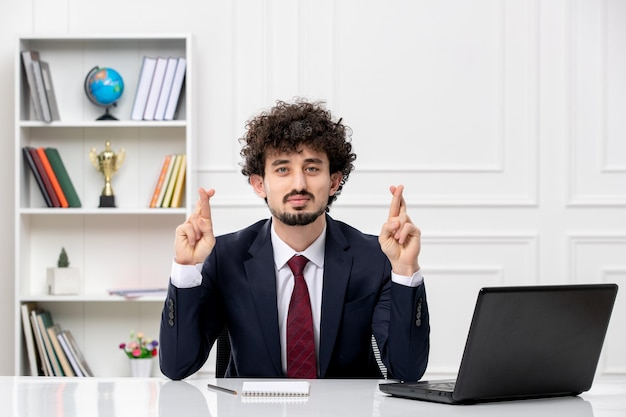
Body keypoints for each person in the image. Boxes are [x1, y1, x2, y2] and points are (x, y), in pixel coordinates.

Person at [159, 99, 429, 381]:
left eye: (312, 169)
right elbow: (178, 366)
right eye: (282, 169)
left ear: (334, 181)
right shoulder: (224, 256)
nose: (299, 183)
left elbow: (407, 370)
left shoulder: (375, 258)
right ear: (259, 184)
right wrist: (187, 268)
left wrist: (404, 271)